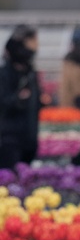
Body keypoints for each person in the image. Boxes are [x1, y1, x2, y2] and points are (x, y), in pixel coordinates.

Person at [0, 25, 41, 168]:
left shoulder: (30, 73)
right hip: (9, 138)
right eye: (32, 42)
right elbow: (4, 103)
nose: (35, 47)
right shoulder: (6, 74)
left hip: (29, 136)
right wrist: (18, 100)